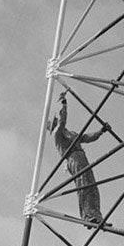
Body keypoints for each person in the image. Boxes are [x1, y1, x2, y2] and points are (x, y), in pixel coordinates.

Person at [50, 90, 109, 225]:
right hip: (73, 159)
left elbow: (86, 137)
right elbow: (62, 120)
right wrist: (64, 104)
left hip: (81, 157)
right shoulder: (58, 134)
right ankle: (87, 216)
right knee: (84, 185)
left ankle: (97, 216)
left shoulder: (71, 133)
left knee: (92, 185)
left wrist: (101, 131)